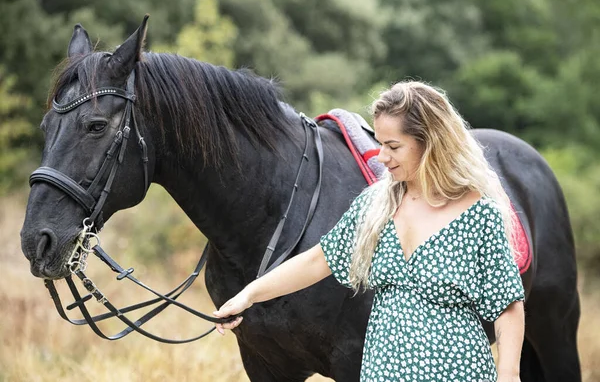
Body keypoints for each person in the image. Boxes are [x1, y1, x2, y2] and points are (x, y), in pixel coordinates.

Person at [213, 81, 525, 382]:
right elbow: (316, 261)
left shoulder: (479, 212)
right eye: (379, 143)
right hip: (383, 371)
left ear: (430, 142)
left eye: (393, 146)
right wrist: (248, 295)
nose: (381, 156)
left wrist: (509, 374)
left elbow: (507, 304)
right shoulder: (376, 205)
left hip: (457, 371)